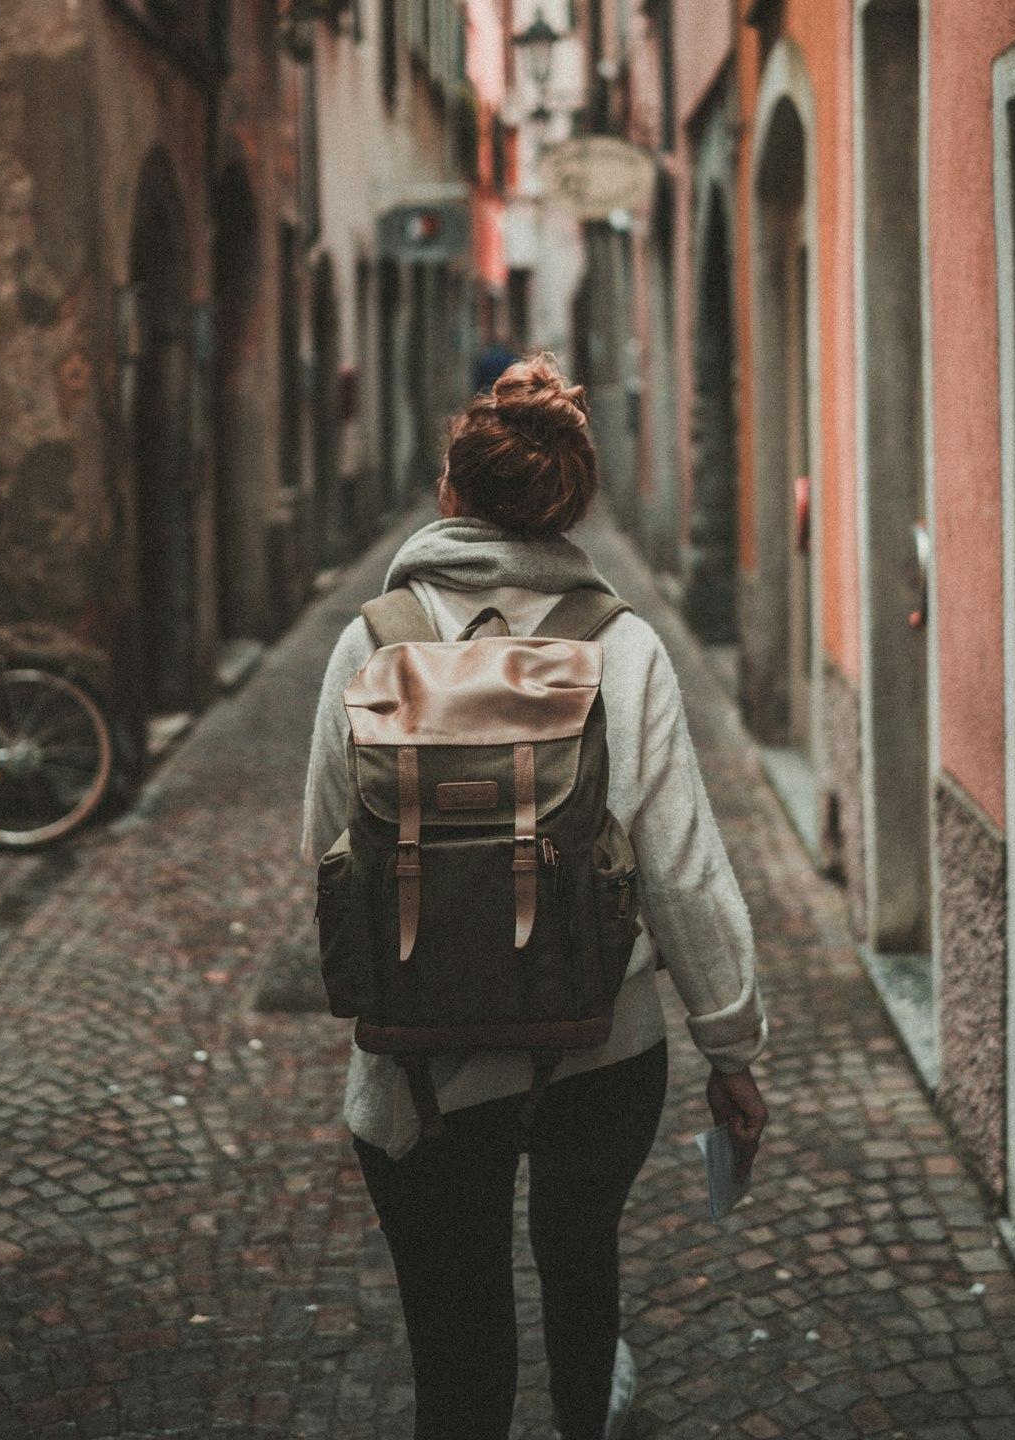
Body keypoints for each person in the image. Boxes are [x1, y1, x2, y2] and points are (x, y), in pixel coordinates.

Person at [301, 353, 769, 1440]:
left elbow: (326, 853)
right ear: (570, 503)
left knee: (454, 1344)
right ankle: (582, 1411)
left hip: (420, 1064)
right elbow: (682, 871)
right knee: (580, 1266)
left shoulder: (370, 642)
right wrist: (733, 1048)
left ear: (450, 491)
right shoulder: (624, 647)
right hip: (600, 1048)